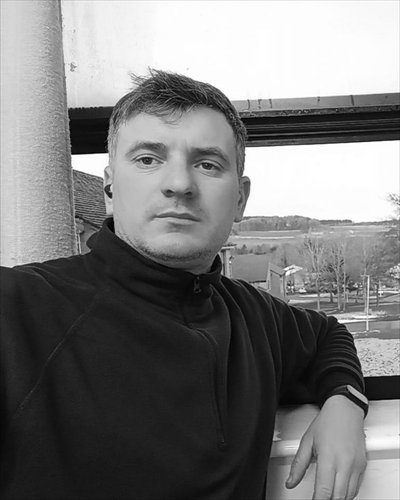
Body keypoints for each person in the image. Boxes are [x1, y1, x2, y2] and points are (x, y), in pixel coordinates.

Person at [0, 70, 368, 500]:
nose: (179, 184)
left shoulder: (254, 317)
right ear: (109, 187)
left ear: (240, 199)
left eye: (207, 164)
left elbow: (328, 336)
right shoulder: (18, 309)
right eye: (148, 159)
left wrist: (346, 401)